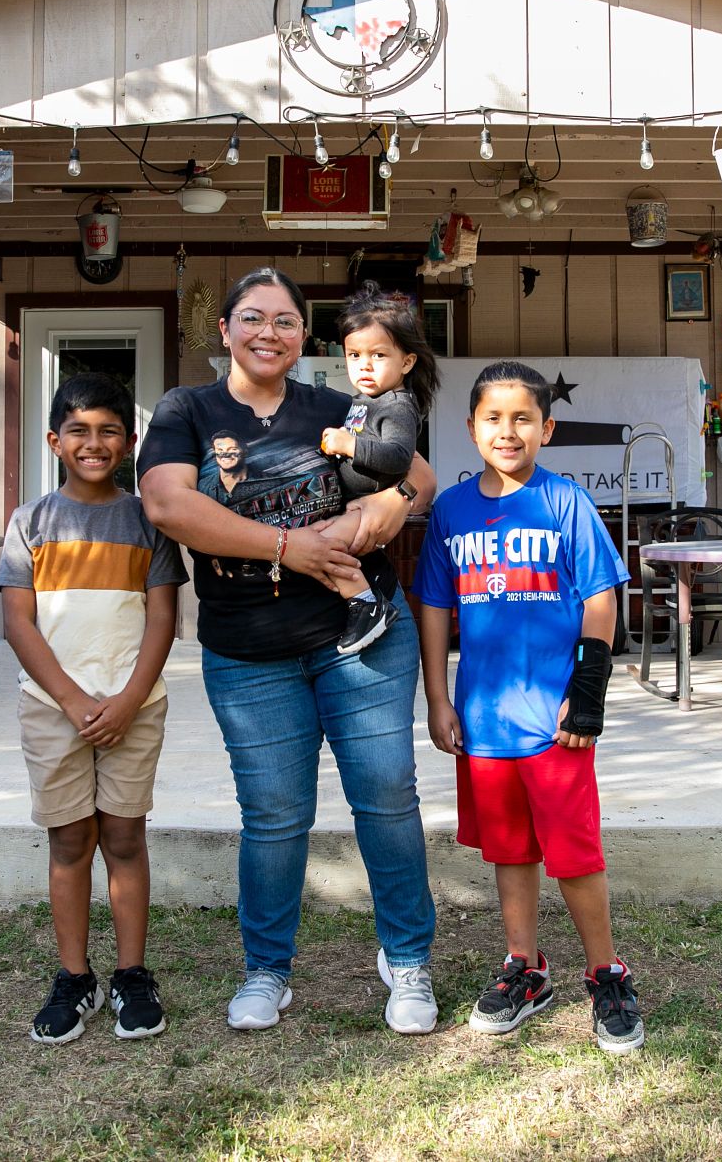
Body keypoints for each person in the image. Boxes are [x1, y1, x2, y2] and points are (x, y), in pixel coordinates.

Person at [139, 267, 440, 1036]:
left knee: (387, 793)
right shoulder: (186, 410)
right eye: (252, 317)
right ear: (225, 329)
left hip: (361, 635)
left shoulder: (337, 406)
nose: (267, 332)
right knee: (273, 812)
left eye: (284, 320)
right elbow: (168, 502)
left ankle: (408, 960)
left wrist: (388, 504)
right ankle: (267, 970)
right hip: (249, 649)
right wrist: (287, 546)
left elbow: (420, 475)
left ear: (303, 337)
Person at [413, 361, 645, 1054]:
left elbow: (601, 596)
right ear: (471, 427)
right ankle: (526, 967)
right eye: (493, 418)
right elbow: (435, 605)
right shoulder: (452, 510)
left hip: (555, 719)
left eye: (523, 419)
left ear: (547, 428)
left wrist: (588, 691)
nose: (507, 431)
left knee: (573, 851)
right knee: (510, 848)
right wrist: (437, 696)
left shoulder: (565, 501)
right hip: (484, 719)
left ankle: (606, 973)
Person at [0, 372, 187, 1045]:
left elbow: (162, 618)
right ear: (55, 441)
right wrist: (73, 700)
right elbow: (18, 623)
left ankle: (132, 974)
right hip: (53, 710)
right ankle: (75, 977)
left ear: (129, 442)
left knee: (125, 837)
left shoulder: (147, 519)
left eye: (108, 430)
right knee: (71, 839)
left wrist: (128, 699)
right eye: (78, 430)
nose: (93, 443)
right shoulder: (30, 522)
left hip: (135, 706)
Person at [315, 282, 440, 654]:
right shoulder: (364, 400)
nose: (364, 365)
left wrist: (348, 445)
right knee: (319, 545)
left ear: (407, 362)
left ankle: (368, 606)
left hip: (368, 507)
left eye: (379, 355)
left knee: (322, 548)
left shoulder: (397, 404)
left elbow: (399, 456)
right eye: (354, 355)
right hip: (351, 504)